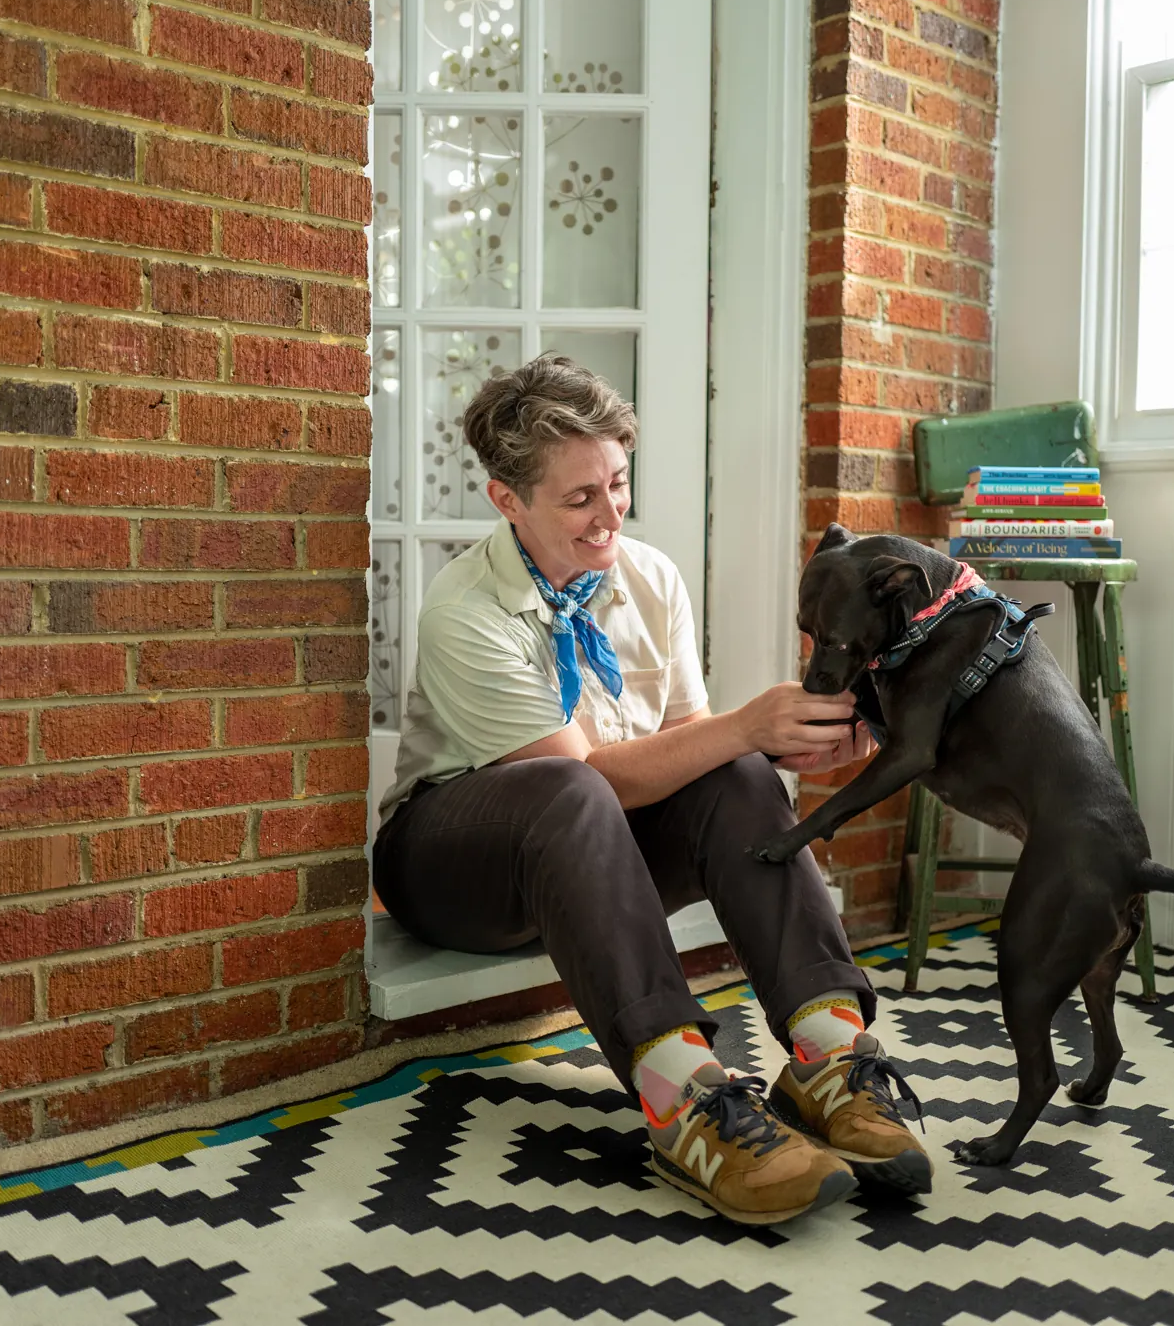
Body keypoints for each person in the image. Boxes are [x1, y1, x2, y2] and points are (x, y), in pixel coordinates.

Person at [372, 354, 931, 1225]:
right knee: (573, 784)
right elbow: (584, 776)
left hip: (594, 843)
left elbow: (694, 754)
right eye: (579, 498)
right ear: (507, 500)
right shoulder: (466, 608)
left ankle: (829, 1052)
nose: (609, 515)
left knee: (738, 770)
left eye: (618, 483)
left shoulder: (651, 578)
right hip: (451, 865)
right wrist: (748, 724)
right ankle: (685, 1099)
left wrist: (790, 748)